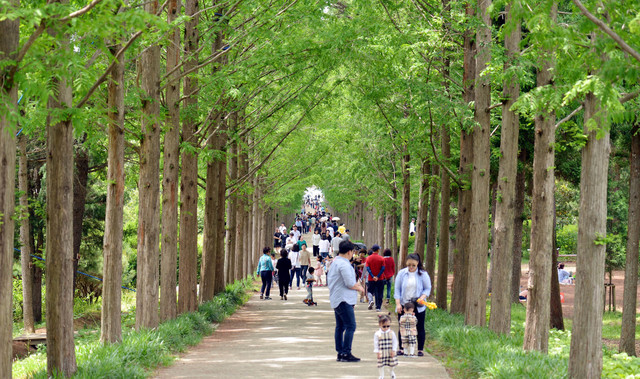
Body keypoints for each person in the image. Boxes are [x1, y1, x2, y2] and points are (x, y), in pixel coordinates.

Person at [328, 240, 365, 363]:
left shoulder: (335, 262)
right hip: (343, 299)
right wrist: (360, 288)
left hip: (337, 298)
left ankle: (340, 352)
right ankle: (346, 352)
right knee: (350, 325)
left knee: (340, 326)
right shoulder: (343, 265)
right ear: (349, 252)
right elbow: (349, 283)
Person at [394, 253, 431, 357]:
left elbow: (427, 288)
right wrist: (398, 304)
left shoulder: (423, 274)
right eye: (409, 265)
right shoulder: (401, 273)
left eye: (413, 265)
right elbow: (397, 290)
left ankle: (420, 349)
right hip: (404, 304)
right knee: (402, 326)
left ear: (417, 264)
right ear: (406, 262)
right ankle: (402, 348)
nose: (411, 267)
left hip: (418, 304)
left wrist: (422, 298)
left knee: (419, 327)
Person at [373, 314, 398, 379]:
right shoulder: (377, 334)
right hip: (382, 351)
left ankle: (391, 372)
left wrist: (394, 350)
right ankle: (381, 375)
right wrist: (377, 351)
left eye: (388, 326)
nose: (386, 328)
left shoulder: (391, 333)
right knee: (381, 364)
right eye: (384, 326)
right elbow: (376, 343)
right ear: (380, 325)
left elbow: (395, 341)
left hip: (390, 350)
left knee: (392, 363)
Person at [366, 244, 386, 311]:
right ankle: (378, 307)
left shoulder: (368, 258)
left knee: (370, 291)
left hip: (371, 279)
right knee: (379, 292)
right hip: (380, 278)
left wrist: (372, 276)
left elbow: (368, 268)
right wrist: (377, 276)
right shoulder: (381, 258)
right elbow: (383, 268)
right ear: (378, 250)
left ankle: (371, 300)